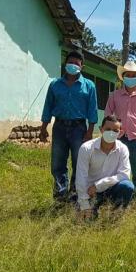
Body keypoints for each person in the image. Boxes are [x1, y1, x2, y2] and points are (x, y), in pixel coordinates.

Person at [39, 50, 98, 202]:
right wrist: (43, 127)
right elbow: (48, 106)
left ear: (82, 66)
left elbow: (92, 110)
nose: (73, 65)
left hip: (79, 129)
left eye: (76, 63)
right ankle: (60, 195)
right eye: (70, 62)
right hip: (59, 127)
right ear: (65, 64)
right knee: (58, 162)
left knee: (79, 162)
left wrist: (89, 132)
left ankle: (75, 194)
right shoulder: (55, 85)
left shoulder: (89, 86)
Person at [104, 61, 136, 195]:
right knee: (116, 166)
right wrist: (110, 131)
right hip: (119, 137)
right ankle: (117, 192)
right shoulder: (114, 95)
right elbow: (108, 114)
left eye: (134, 75)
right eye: (128, 75)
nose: (131, 78)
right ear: (123, 77)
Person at [75, 115, 134, 220]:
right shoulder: (86, 148)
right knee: (88, 222)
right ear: (101, 129)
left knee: (127, 186)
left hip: (110, 189)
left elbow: (124, 175)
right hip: (90, 192)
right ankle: (87, 207)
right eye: (108, 129)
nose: (111, 133)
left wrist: (98, 185)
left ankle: (115, 216)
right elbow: (81, 177)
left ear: (120, 133)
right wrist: (85, 205)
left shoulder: (123, 149)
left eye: (115, 130)